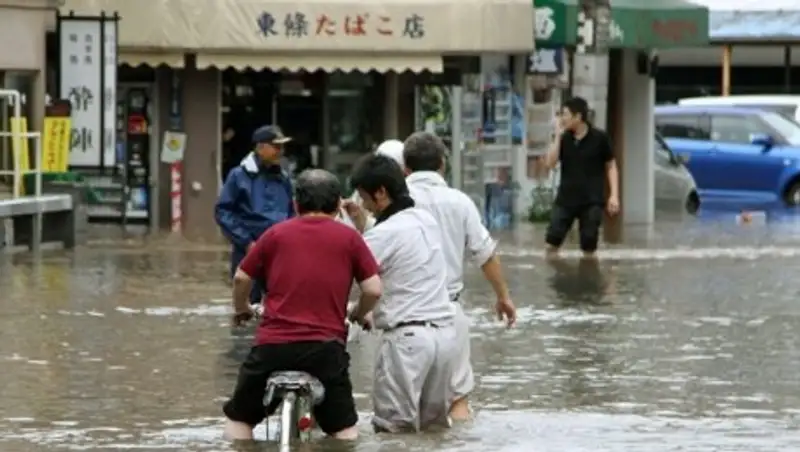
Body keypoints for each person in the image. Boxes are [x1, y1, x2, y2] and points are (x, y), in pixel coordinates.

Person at [222, 169, 382, 441]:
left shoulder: (275, 234)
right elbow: (373, 290)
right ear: (338, 206)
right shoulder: (350, 238)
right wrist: (359, 313)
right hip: (326, 350)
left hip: (272, 349)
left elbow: (241, 278)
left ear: (295, 204)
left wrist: (242, 308)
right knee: (344, 430)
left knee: (240, 419)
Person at [402, 131, 517, 421]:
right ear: (443, 164)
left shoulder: (396, 201)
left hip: (404, 317)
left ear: (405, 167)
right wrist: (503, 297)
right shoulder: (460, 202)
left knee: (402, 412)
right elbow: (485, 254)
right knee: (458, 402)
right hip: (448, 313)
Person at [344, 154, 458, 433]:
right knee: (435, 431)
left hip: (407, 342)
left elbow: (356, 279)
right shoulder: (426, 220)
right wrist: (364, 224)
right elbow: (399, 247)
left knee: (393, 432)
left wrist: (358, 312)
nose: (364, 205)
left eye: (365, 197)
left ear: (381, 192)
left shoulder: (381, 236)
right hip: (444, 337)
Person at [215, 125, 295, 305]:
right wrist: (246, 242)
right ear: (260, 147)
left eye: (282, 147)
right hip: (248, 250)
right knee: (247, 304)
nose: (280, 151)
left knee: (281, 302)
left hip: (279, 251)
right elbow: (223, 211)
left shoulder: (284, 178)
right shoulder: (238, 176)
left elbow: (291, 211)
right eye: (276, 146)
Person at [542, 97, 620, 258]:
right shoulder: (564, 138)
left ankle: (588, 272)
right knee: (551, 243)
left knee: (589, 247)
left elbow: (611, 166)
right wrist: (557, 136)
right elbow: (550, 163)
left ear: (578, 117)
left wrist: (614, 195)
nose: (562, 119)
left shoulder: (600, 138)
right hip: (566, 199)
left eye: (565, 114)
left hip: (591, 200)